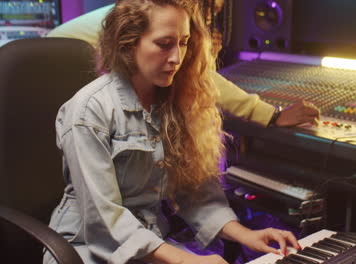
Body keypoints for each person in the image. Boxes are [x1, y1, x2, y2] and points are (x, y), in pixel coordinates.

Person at [44, 0, 302, 263]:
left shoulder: (175, 103)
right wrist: (185, 260)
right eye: (164, 44)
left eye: (183, 42)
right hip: (86, 248)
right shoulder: (89, 111)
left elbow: (195, 193)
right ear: (129, 43)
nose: (177, 58)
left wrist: (245, 235)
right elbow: (103, 218)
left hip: (151, 243)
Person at [47, 2, 320, 128]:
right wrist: (270, 114)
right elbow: (199, 76)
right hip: (57, 89)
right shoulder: (152, 18)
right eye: (211, 8)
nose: (213, 13)